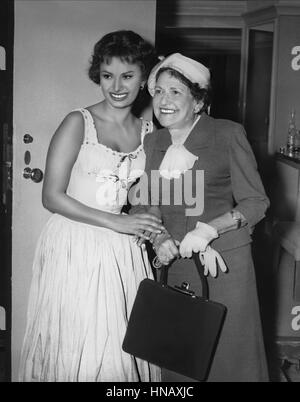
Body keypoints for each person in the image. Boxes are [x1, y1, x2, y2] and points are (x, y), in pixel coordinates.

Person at [18, 30, 163, 382]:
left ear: (143, 78)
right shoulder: (76, 123)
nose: (116, 85)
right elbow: (51, 196)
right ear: (97, 75)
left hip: (122, 251)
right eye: (107, 75)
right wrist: (116, 223)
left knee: (119, 345)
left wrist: (152, 217)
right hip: (76, 244)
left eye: (127, 76)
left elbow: (143, 194)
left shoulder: (151, 132)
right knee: (78, 344)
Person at [133, 53, 270, 382]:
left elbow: (256, 202)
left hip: (224, 263)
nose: (164, 100)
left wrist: (209, 229)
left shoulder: (227, 134)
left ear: (198, 102)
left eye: (176, 92)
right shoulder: (153, 142)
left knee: (230, 356)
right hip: (174, 262)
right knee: (179, 358)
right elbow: (145, 203)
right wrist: (159, 237)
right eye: (159, 91)